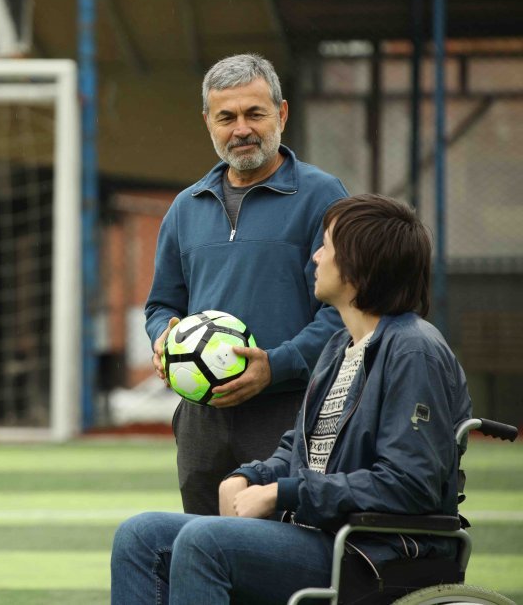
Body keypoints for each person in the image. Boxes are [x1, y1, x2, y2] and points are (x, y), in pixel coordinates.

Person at [112, 193, 473, 604]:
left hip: (372, 550)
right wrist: (250, 476)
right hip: (320, 533)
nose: (315, 257)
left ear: (359, 264)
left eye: (326, 246)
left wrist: (283, 493)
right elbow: (298, 449)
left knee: (204, 540)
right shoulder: (339, 347)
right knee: (139, 535)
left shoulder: (413, 351)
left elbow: (410, 484)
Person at [145, 53, 348, 514]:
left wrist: (275, 366)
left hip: (288, 410)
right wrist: (162, 339)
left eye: (254, 113)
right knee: (200, 541)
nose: (241, 129)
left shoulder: (322, 196)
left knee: (280, 540)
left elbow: (343, 311)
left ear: (282, 113)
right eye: (227, 117)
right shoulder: (186, 207)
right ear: (208, 122)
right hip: (202, 417)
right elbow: (161, 305)